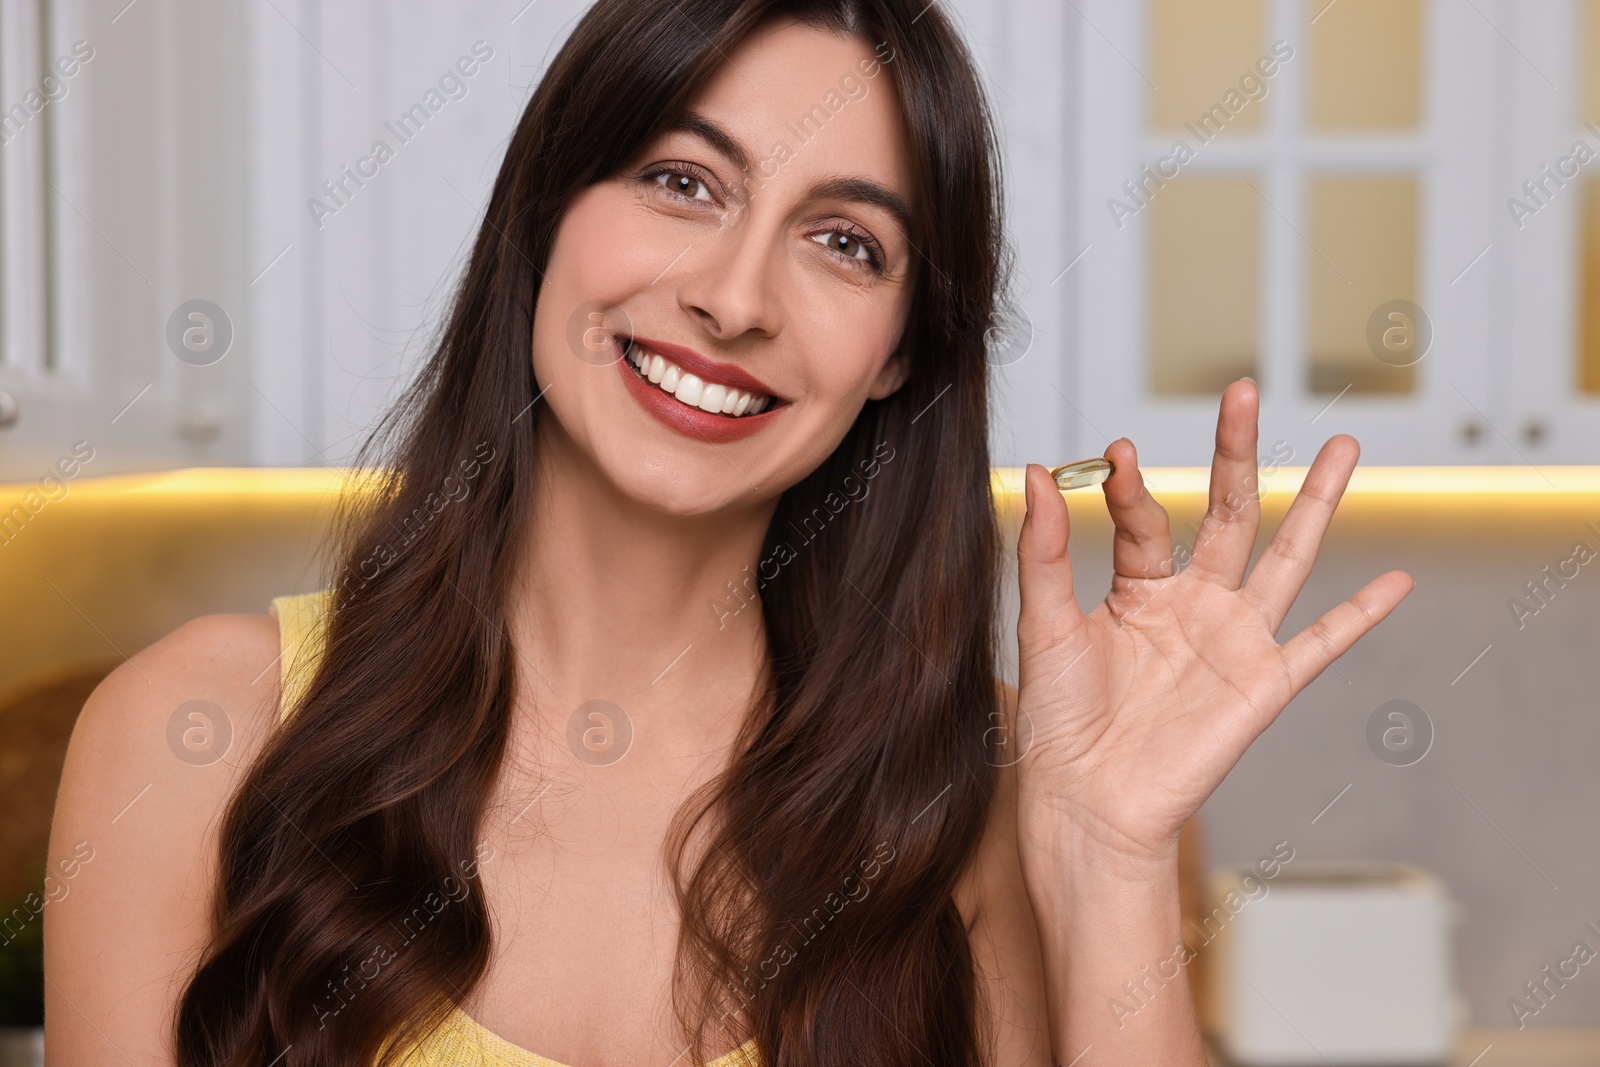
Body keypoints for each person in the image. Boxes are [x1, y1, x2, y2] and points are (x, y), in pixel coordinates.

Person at [44, 1, 1413, 1064]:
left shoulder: (978, 800)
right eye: (683, 183)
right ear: (549, 211)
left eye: (845, 245)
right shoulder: (196, 735)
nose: (735, 297)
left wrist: (1111, 857)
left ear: (895, 354)